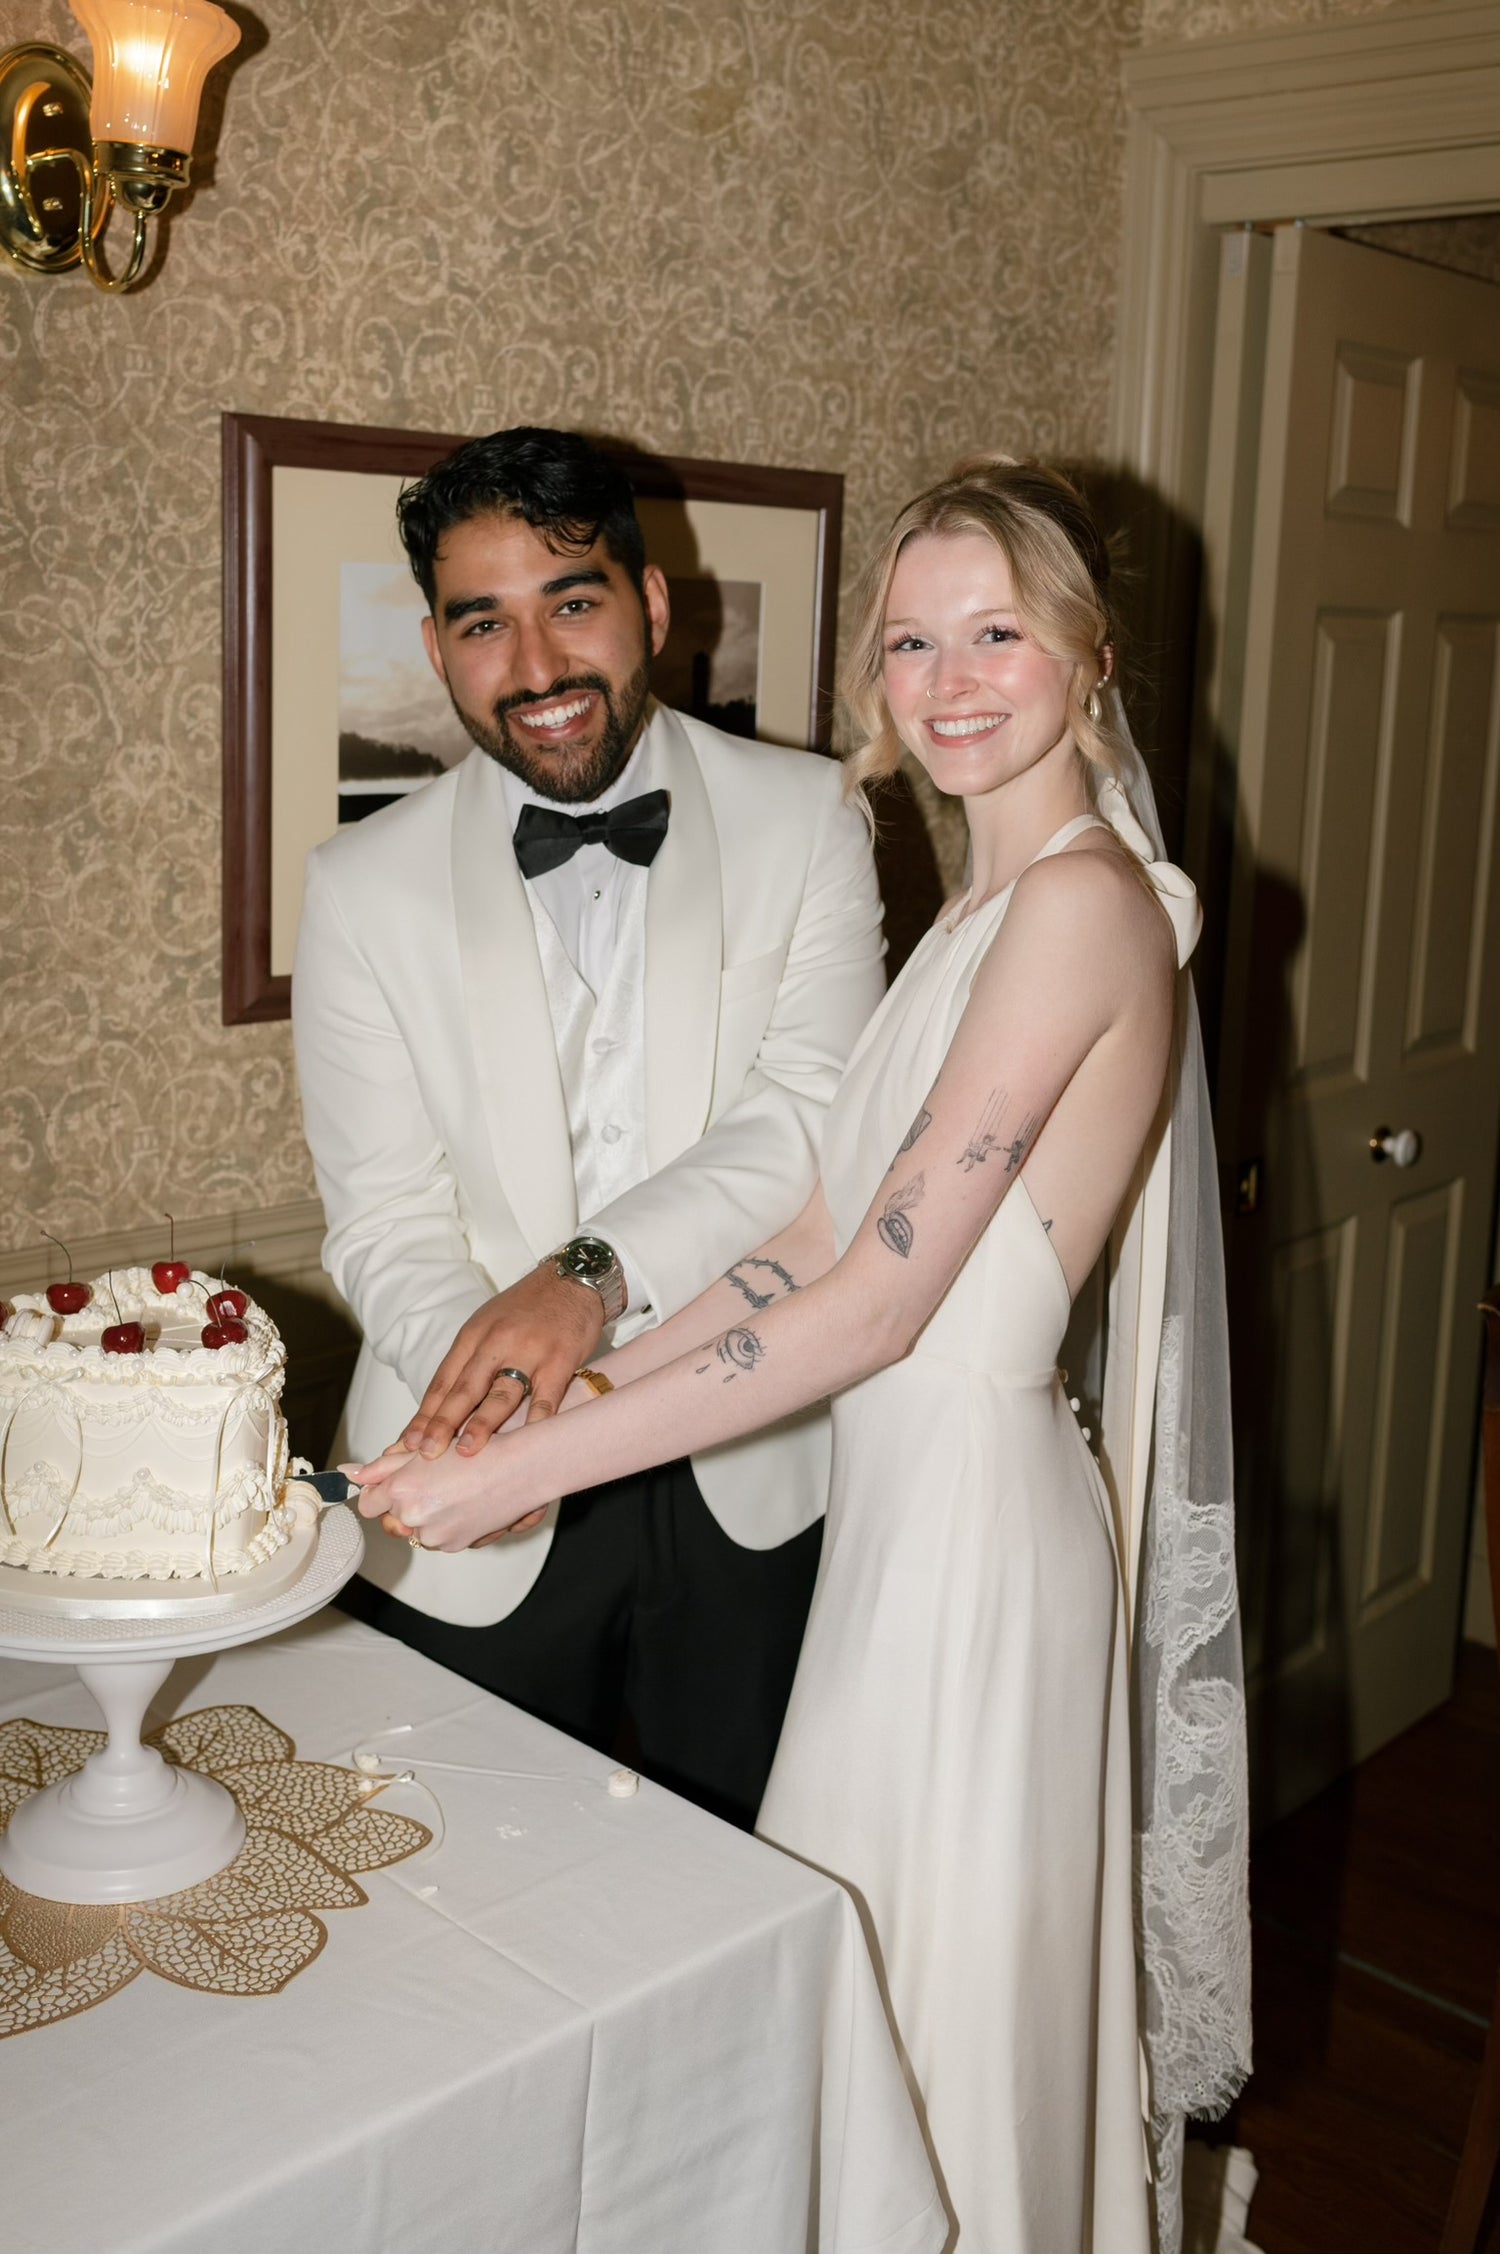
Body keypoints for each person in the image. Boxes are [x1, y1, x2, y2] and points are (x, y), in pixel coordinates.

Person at [347, 457, 1252, 2252]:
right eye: (912, 638)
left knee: (936, 2047)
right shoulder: (978, 922)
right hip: (896, 1541)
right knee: (861, 2023)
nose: (951, 675)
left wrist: (524, 1467)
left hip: (979, 1566)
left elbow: (878, 1307)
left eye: (997, 630)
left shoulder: (1087, 905)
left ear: (1090, 652)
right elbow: (813, 1237)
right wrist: (568, 1382)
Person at [293, 426, 886, 1827]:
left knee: (745, 1871)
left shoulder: (813, 820)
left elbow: (811, 1114)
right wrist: (493, 1406)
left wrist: (590, 1277)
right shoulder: (358, 888)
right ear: (437, 649)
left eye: (573, 600)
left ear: (654, 607)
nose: (538, 666)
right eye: (482, 622)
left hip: (752, 1463)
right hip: (475, 1491)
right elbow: (381, 1214)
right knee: (454, 1877)